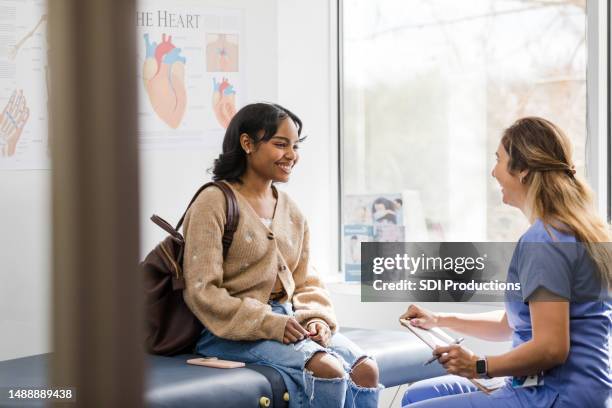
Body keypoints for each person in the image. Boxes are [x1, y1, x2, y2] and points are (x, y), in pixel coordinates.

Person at [400, 117, 611, 407]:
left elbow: (551, 348)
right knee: (419, 394)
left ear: (522, 170)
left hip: (555, 394)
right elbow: (512, 323)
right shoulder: (566, 230)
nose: (493, 171)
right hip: (564, 387)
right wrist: (439, 319)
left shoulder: (545, 241)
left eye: (499, 160)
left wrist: (480, 366)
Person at [182, 103, 381, 408]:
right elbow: (202, 291)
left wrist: (316, 319)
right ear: (247, 143)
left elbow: (306, 280)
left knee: (366, 370)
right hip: (228, 332)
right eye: (280, 144)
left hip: (290, 321)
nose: (292, 155)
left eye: (295, 146)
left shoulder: (291, 209)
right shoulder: (213, 201)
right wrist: (268, 322)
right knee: (327, 369)